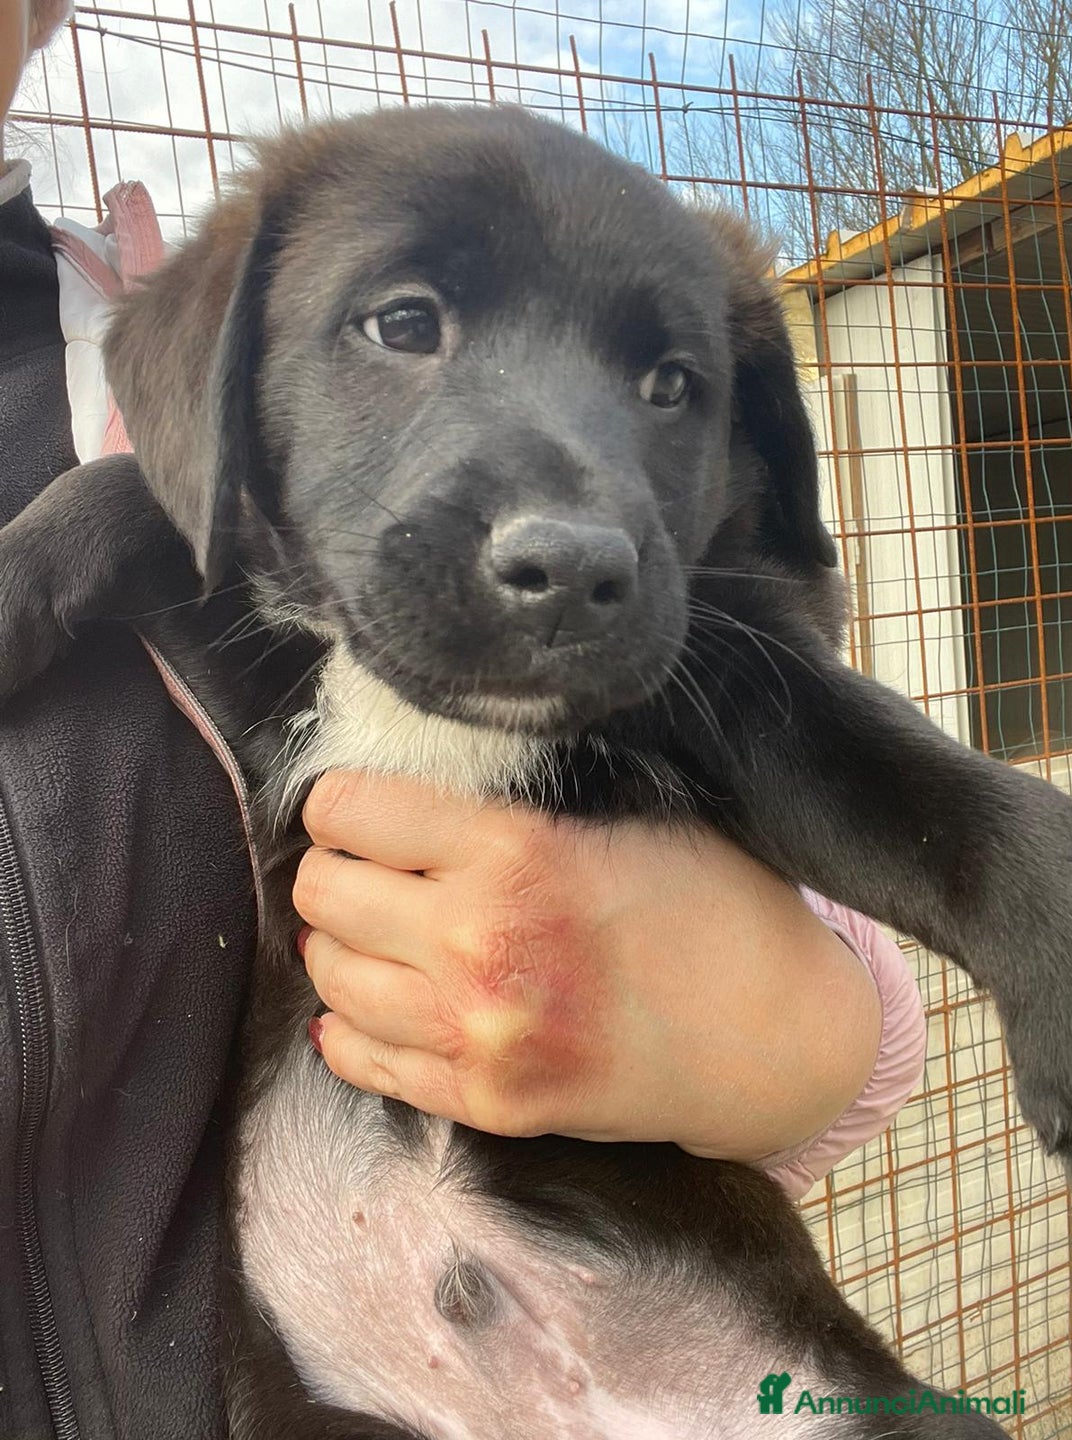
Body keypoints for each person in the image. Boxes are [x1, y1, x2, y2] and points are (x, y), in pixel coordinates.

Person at [0, 3, 926, 1433]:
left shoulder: (126, 341)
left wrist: (810, 1029)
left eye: (664, 383)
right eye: (408, 328)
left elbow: (772, 823)